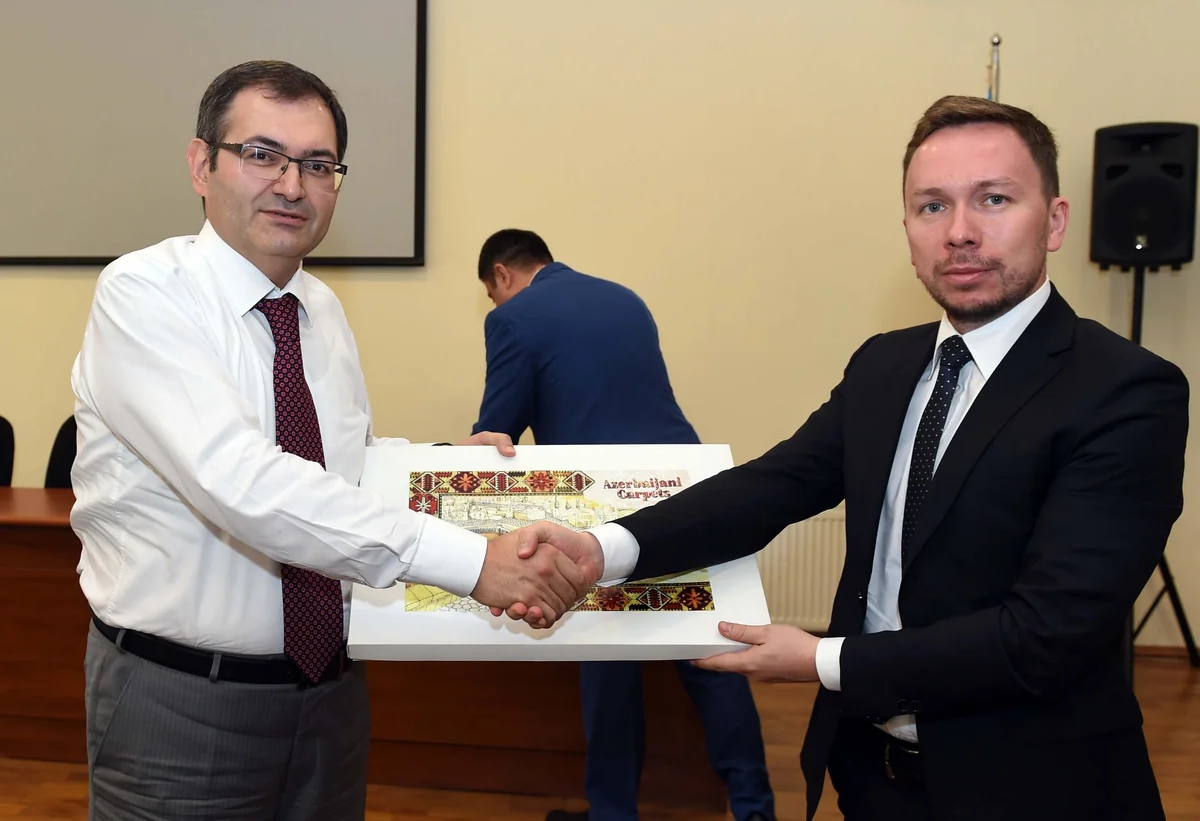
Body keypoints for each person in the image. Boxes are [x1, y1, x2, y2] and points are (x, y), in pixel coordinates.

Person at [509, 96, 1190, 821]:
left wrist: (820, 660)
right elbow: (775, 484)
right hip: (870, 775)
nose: (960, 232)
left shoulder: (1125, 391)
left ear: (1054, 220)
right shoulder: (885, 365)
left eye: (994, 199)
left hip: (1035, 787)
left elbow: (1045, 635)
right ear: (908, 229)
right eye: (932, 206)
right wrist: (602, 548)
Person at [70, 60, 586, 821]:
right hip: (182, 702)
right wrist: (475, 564)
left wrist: (439, 469)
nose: (292, 185)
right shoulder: (143, 294)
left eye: (318, 165)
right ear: (201, 165)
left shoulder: (322, 311)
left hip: (331, 696)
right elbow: (240, 481)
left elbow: (340, 465)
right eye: (263, 155)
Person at [473, 229, 775, 821]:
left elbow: (496, 435)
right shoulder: (624, 298)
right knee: (713, 655)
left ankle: (613, 813)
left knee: (608, 665)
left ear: (502, 275)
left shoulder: (512, 318)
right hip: (686, 491)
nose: (495, 303)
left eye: (491, 292)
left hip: (604, 504)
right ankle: (754, 808)